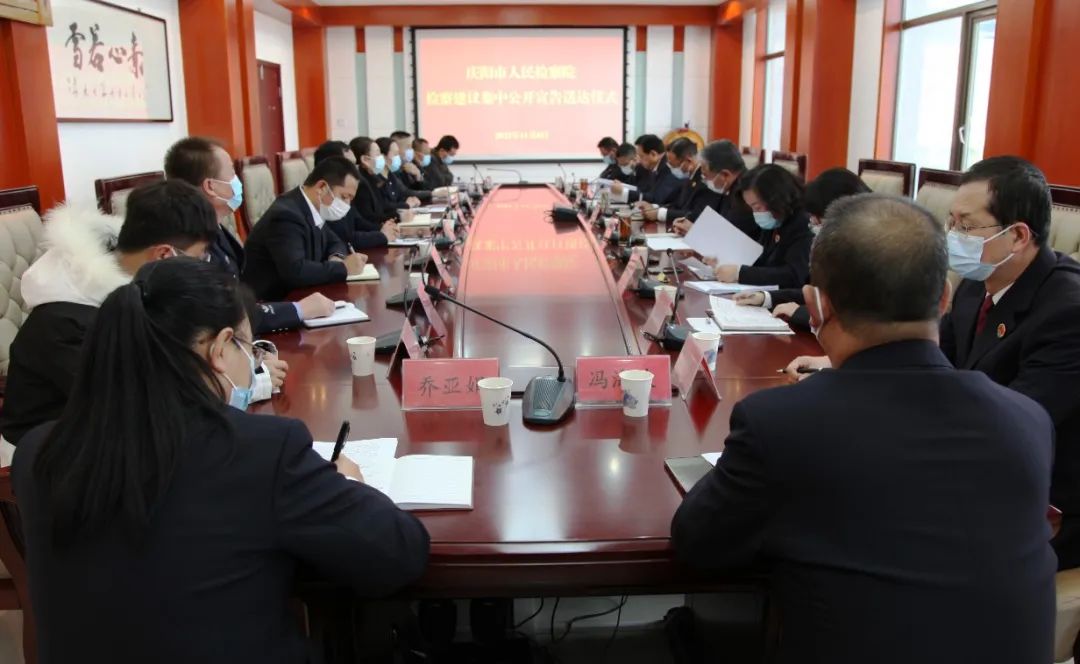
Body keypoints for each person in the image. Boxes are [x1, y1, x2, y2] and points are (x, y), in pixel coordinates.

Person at [672, 194, 1056, 664]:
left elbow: (697, 542)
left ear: (818, 305)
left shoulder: (780, 423)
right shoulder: (1026, 419)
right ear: (944, 298)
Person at [13, 258, 430, 663]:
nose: (253, 361)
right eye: (249, 347)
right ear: (218, 349)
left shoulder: (37, 453)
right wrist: (349, 483)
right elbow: (398, 553)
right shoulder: (262, 451)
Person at [0, 181, 219, 449]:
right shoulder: (66, 322)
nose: (201, 268)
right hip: (53, 450)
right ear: (164, 254)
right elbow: (133, 403)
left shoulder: (143, 285)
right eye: (199, 258)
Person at [163, 136, 335, 333]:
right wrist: (298, 310)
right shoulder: (190, 245)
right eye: (232, 173)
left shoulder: (215, 227)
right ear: (211, 186)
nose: (237, 180)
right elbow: (226, 316)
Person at [735, 168, 871, 329]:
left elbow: (858, 315)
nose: (812, 222)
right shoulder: (847, 245)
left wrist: (801, 313)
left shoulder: (873, 252)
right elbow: (821, 295)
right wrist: (767, 297)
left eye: (818, 217)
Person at [241, 157, 369, 301]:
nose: (347, 205)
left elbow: (335, 241)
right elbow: (295, 271)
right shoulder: (286, 215)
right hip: (272, 301)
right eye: (344, 197)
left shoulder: (312, 207)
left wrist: (336, 258)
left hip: (302, 295)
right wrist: (343, 268)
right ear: (322, 187)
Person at [711, 164, 812, 288]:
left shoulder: (803, 223)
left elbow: (794, 275)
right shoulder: (775, 220)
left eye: (757, 207)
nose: (756, 214)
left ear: (775, 198)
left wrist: (740, 273)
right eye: (752, 208)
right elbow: (763, 260)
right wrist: (725, 261)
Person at [313, 141, 398, 250]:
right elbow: (345, 239)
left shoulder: (345, 189)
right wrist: (381, 235)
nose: (355, 170)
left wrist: (383, 228)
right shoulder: (325, 197)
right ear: (331, 166)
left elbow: (358, 220)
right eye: (350, 165)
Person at [672, 139, 755, 238]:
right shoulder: (729, 187)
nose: (704, 180)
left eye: (706, 176)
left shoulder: (746, 194)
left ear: (725, 175)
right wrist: (689, 222)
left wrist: (696, 231)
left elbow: (732, 237)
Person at [649, 139, 723, 227]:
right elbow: (677, 204)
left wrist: (660, 214)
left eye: (674, 165)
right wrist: (654, 208)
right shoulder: (689, 178)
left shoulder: (704, 180)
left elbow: (696, 214)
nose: (671, 169)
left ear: (688, 160)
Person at [608, 134, 679, 206]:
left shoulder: (668, 168)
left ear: (653, 154)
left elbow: (656, 199)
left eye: (641, 156)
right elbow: (643, 191)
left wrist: (624, 192)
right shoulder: (652, 168)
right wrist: (622, 186)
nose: (639, 160)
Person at [349, 136, 404, 227]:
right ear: (365, 160)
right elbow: (368, 217)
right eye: (378, 154)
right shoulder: (361, 183)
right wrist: (399, 217)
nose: (381, 158)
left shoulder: (374, 178)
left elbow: (382, 208)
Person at [375, 136, 430, 207]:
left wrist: (411, 200)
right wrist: (406, 204)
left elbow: (402, 194)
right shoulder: (377, 178)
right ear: (383, 157)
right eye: (395, 154)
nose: (398, 157)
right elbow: (385, 205)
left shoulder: (391, 175)